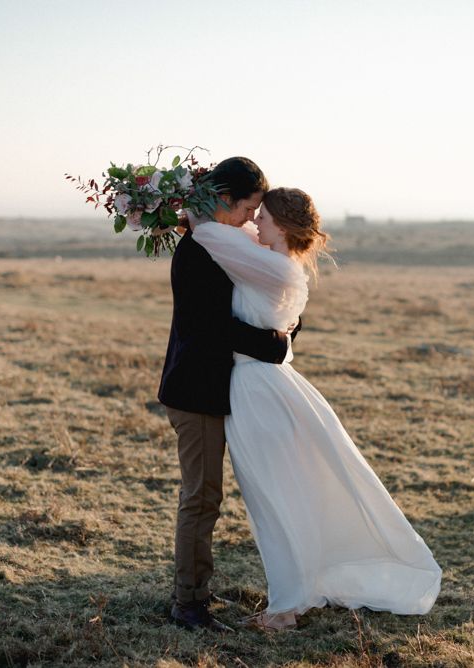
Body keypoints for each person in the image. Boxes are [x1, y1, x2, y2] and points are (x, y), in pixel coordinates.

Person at [191, 187, 442, 632]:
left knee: (273, 499)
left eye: (263, 217)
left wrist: (183, 207)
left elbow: (209, 233)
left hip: (257, 392)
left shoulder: (272, 266)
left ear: (282, 226)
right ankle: (292, 595)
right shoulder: (277, 261)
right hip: (262, 387)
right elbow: (238, 235)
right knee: (276, 498)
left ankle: (285, 607)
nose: (255, 223)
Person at [157, 158, 301, 632]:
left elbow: (257, 297)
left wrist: (285, 322)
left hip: (217, 389)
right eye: (249, 208)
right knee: (201, 499)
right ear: (226, 199)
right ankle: (188, 604)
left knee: (205, 498)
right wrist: (275, 347)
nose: (249, 219)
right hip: (196, 390)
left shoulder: (220, 243)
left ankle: (195, 588)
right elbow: (212, 328)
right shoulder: (197, 251)